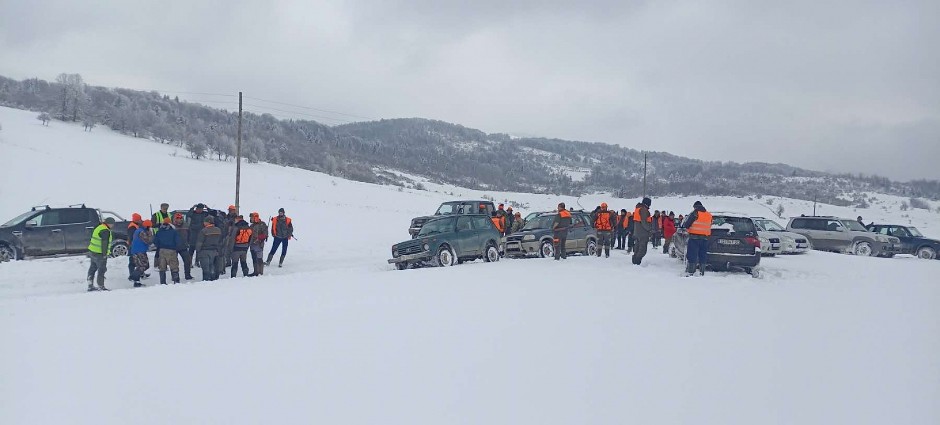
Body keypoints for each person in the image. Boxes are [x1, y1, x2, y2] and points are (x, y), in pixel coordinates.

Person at [681, 201, 712, 276]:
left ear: (695, 207)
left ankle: (691, 272)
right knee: (702, 255)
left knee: (692, 255)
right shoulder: (709, 215)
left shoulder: (695, 213)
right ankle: (702, 272)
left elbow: (687, 224)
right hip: (704, 238)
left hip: (694, 238)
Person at [86, 217, 116, 291]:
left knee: (92, 268)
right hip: (99, 253)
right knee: (101, 269)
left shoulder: (99, 227)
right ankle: (101, 286)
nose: (113, 226)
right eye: (112, 224)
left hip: (92, 251)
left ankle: (90, 285)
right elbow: (104, 244)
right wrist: (105, 254)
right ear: (109, 224)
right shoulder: (105, 231)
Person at [153, 217, 181, 285]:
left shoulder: (159, 231)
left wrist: (160, 246)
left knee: (162, 267)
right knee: (174, 266)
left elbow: (155, 241)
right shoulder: (174, 231)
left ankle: (163, 283)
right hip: (171, 250)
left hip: (162, 250)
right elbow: (178, 241)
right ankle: (176, 281)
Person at [195, 217, 222, 281]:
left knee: (206, 267)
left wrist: (198, 251)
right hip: (215, 250)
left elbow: (199, 242)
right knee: (213, 265)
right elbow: (220, 241)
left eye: (205, 222)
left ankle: (206, 280)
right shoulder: (218, 230)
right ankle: (214, 278)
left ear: (208, 222)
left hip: (204, 251)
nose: (204, 223)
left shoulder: (204, 231)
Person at [130, 220, 154, 287]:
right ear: (147, 227)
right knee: (144, 265)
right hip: (140, 251)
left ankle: (136, 282)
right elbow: (148, 241)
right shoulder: (142, 232)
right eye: (149, 227)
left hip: (135, 250)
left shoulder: (138, 230)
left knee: (139, 266)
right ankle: (133, 277)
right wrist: (150, 234)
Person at [172, 213, 194, 280]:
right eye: (177, 218)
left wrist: (189, 242)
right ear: (174, 219)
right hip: (174, 247)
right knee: (174, 263)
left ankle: (187, 275)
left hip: (184, 246)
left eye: (180, 218)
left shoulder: (186, 225)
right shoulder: (172, 226)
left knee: (187, 261)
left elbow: (190, 234)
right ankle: (174, 276)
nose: (179, 220)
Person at [632, 197, 652, 265]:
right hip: (643, 232)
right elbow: (644, 222)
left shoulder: (638, 208)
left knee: (637, 247)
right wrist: (650, 229)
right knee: (642, 250)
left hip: (637, 231)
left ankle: (634, 260)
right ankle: (637, 261)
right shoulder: (643, 210)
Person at [248, 212, 269, 276]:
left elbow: (265, 234)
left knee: (259, 258)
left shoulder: (262, 224)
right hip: (252, 245)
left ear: (255, 217)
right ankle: (255, 272)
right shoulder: (251, 226)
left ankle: (260, 272)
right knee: (254, 258)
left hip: (259, 244)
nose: (251, 219)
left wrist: (258, 239)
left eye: (252, 217)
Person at [127, 213, 143, 281]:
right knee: (133, 262)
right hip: (133, 246)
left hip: (134, 246)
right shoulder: (132, 227)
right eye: (139, 219)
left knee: (139, 261)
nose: (141, 220)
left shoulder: (135, 225)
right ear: (136, 220)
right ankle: (132, 275)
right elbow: (132, 237)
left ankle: (140, 274)